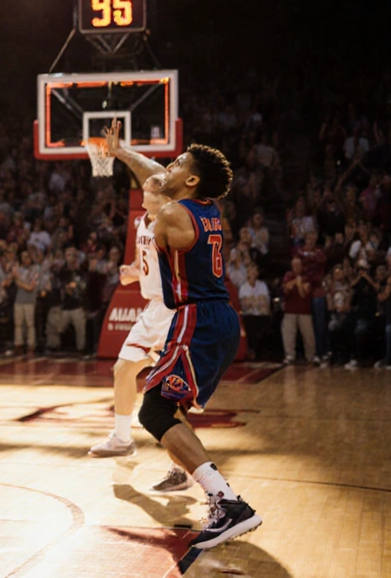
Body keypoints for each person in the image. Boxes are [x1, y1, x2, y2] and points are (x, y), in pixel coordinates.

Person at [138, 143, 262, 549]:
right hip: (216, 318)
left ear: (191, 180)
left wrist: (147, 179)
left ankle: (226, 502)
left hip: (199, 319)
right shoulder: (207, 209)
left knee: (154, 409)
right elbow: (156, 180)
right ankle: (202, 485)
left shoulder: (171, 215)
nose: (167, 168)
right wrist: (122, 154)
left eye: (176, 164)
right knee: (167, 409)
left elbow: (153, 186)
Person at [89, 121, 181, 472]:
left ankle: (180, 466)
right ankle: (123, 439)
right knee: (123, 369)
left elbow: (158, 172)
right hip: (151, 309)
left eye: (152, 188)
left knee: (170, 390)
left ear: (165, 196)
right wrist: (133, 271)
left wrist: (123, 153)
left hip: (172, 312)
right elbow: (148, 261)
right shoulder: (143, 220)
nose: (145, 187)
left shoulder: (170, 220)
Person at [280, 257, 315, 364]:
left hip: (304, 311)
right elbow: (286, 290)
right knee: (288, 334)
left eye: (298, 265)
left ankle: (311, 357)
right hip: (290, 310)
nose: (296, 267)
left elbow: (304, 294)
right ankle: (289, 356)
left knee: (308, 335)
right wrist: (296, 282)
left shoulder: (307, 277)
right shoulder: (287, 276)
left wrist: (297, 284)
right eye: (294, 265)